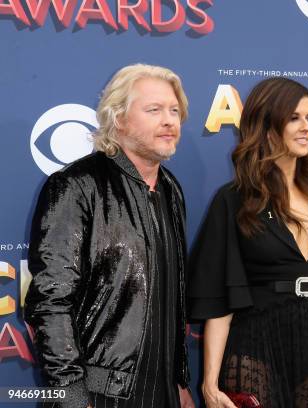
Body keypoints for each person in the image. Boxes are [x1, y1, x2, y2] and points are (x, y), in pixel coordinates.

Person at [188, 77, 308, 408]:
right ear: (267, 125)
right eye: (294, 118)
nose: (306, 128)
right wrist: (209, 383)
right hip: (257, 345)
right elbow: (221, 301)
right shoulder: (234, 201)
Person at [25, 64, 195, 408]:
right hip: (100, 394)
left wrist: (178, 381)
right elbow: (49, 302)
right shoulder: (77, 186)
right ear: (118, 118)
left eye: (174, 111)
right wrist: (71, 397)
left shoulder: (171, 189)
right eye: (154, 110)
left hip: (162, 392)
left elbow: (171, 296)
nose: (169, 120)